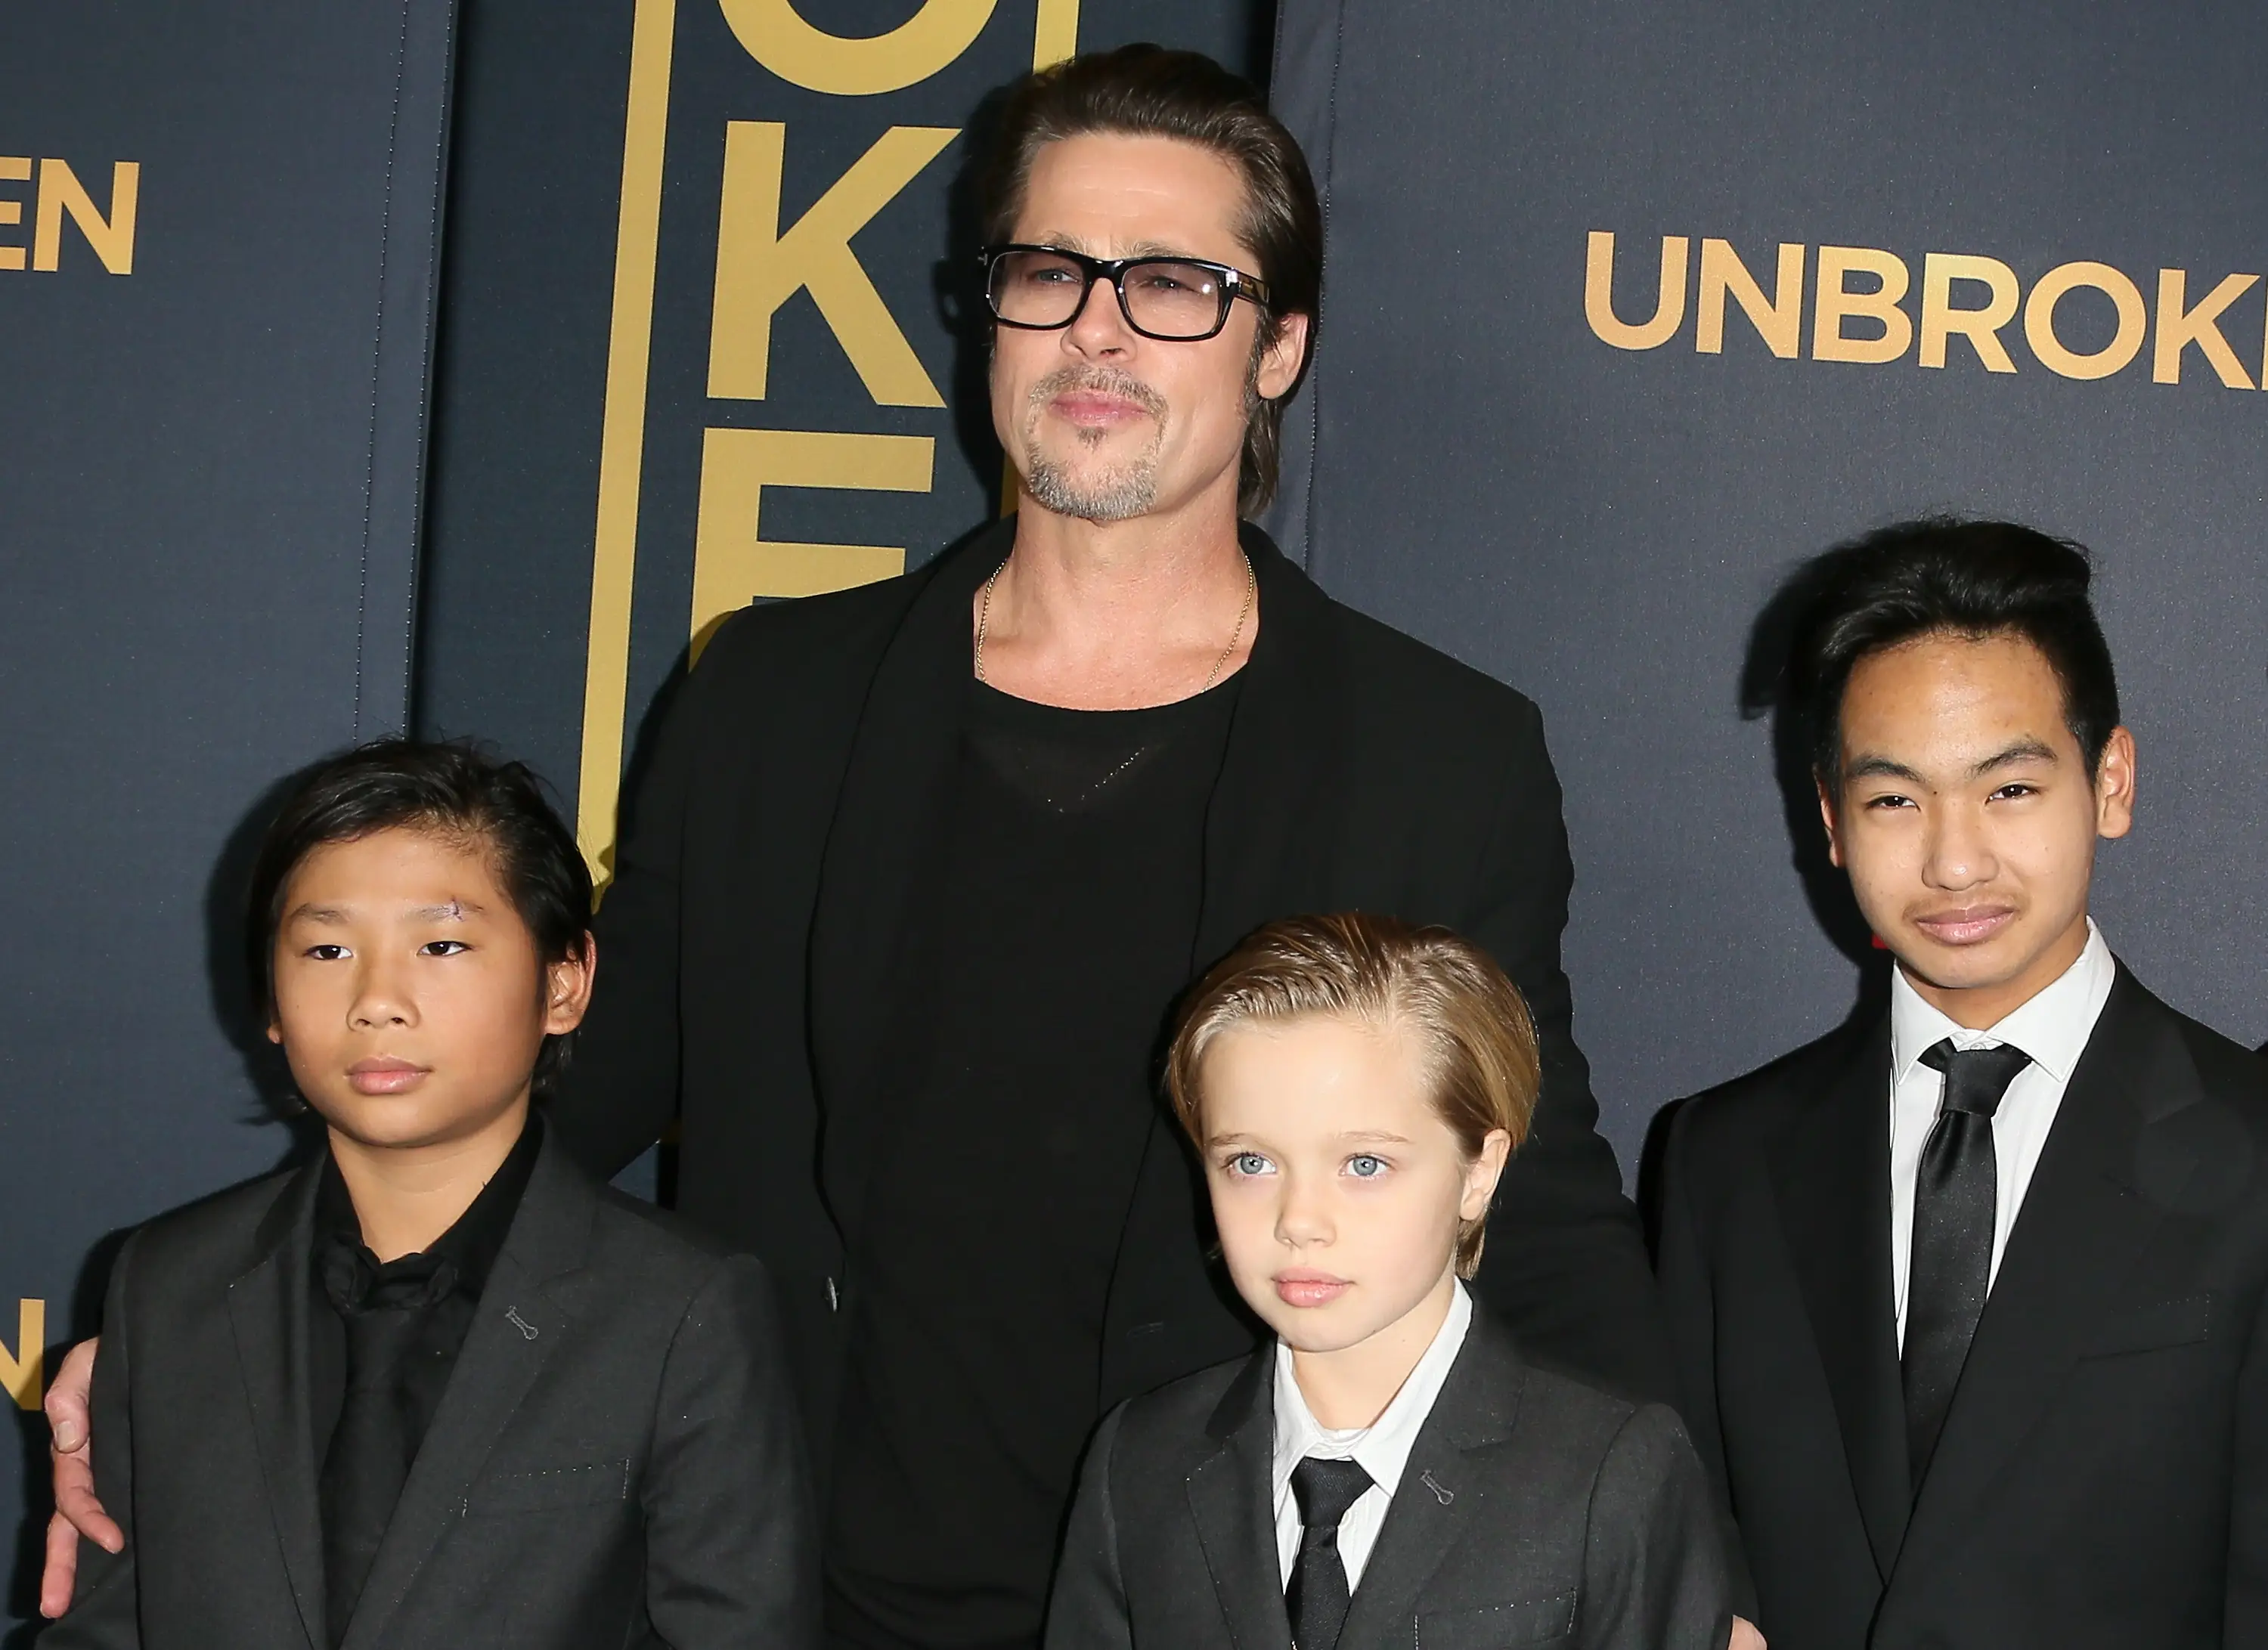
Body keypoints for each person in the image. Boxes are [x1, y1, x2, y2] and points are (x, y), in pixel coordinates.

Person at [48, 45, 1669, 1649]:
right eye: (1052, 271)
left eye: (1175, 281)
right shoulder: (775, 694)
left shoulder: (1436, 746)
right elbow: (556, 1098)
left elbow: (1532, 1186)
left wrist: (1693, 1568)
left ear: (1280, 347)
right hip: (789, 1573)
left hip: (1217, 1587)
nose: (1100, 326)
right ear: (989, 313)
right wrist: (219, 1339)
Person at [42, 741, 816, 1649]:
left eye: (441, 943)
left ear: (564, 982)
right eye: (327, 947)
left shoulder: (680, 1310)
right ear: (272, 999)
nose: (377, 998)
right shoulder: (167, 1283)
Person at [1654, 520, 2268, 1649]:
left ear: (2111, 780)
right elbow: (1688, 1531)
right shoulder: (1720, 1160)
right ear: (1831, 820)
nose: (1953, 859)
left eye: (2011, 788)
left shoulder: (2250, 1149)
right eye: (1895, 799)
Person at [1046, 913, 1730, 1650]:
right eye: (1250, 1162)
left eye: (1364, 1163)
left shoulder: (1610, 1471)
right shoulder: (1141, 1460)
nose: (1299, 1219)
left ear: (1479, 1171)